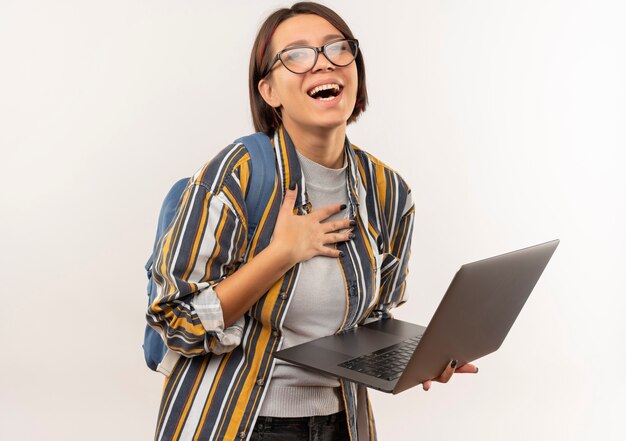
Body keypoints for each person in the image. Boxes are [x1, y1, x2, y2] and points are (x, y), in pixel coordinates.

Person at [147, 2, 477, 440]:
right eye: (298, 55)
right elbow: (175, 320)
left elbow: (371, 322)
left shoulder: (388, 191)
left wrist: (422, 357)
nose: (323, 63)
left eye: (337, 49)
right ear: (269, 91)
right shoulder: (238, 173)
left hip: (341, 425)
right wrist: (281, 254)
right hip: (235, 424)